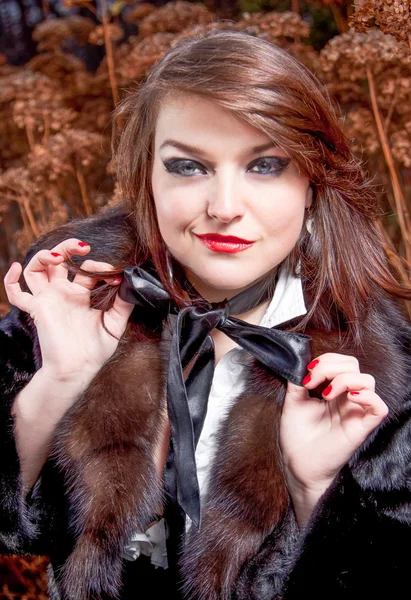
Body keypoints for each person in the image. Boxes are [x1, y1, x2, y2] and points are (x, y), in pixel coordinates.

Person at [1, 30, 411, 600]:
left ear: (313, 184)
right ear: (148, 177)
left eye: (265, 165)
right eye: (188, 167)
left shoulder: (389, 372)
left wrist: (315, 493)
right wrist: (54, 388)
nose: (223, 208)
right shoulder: (65, 303)